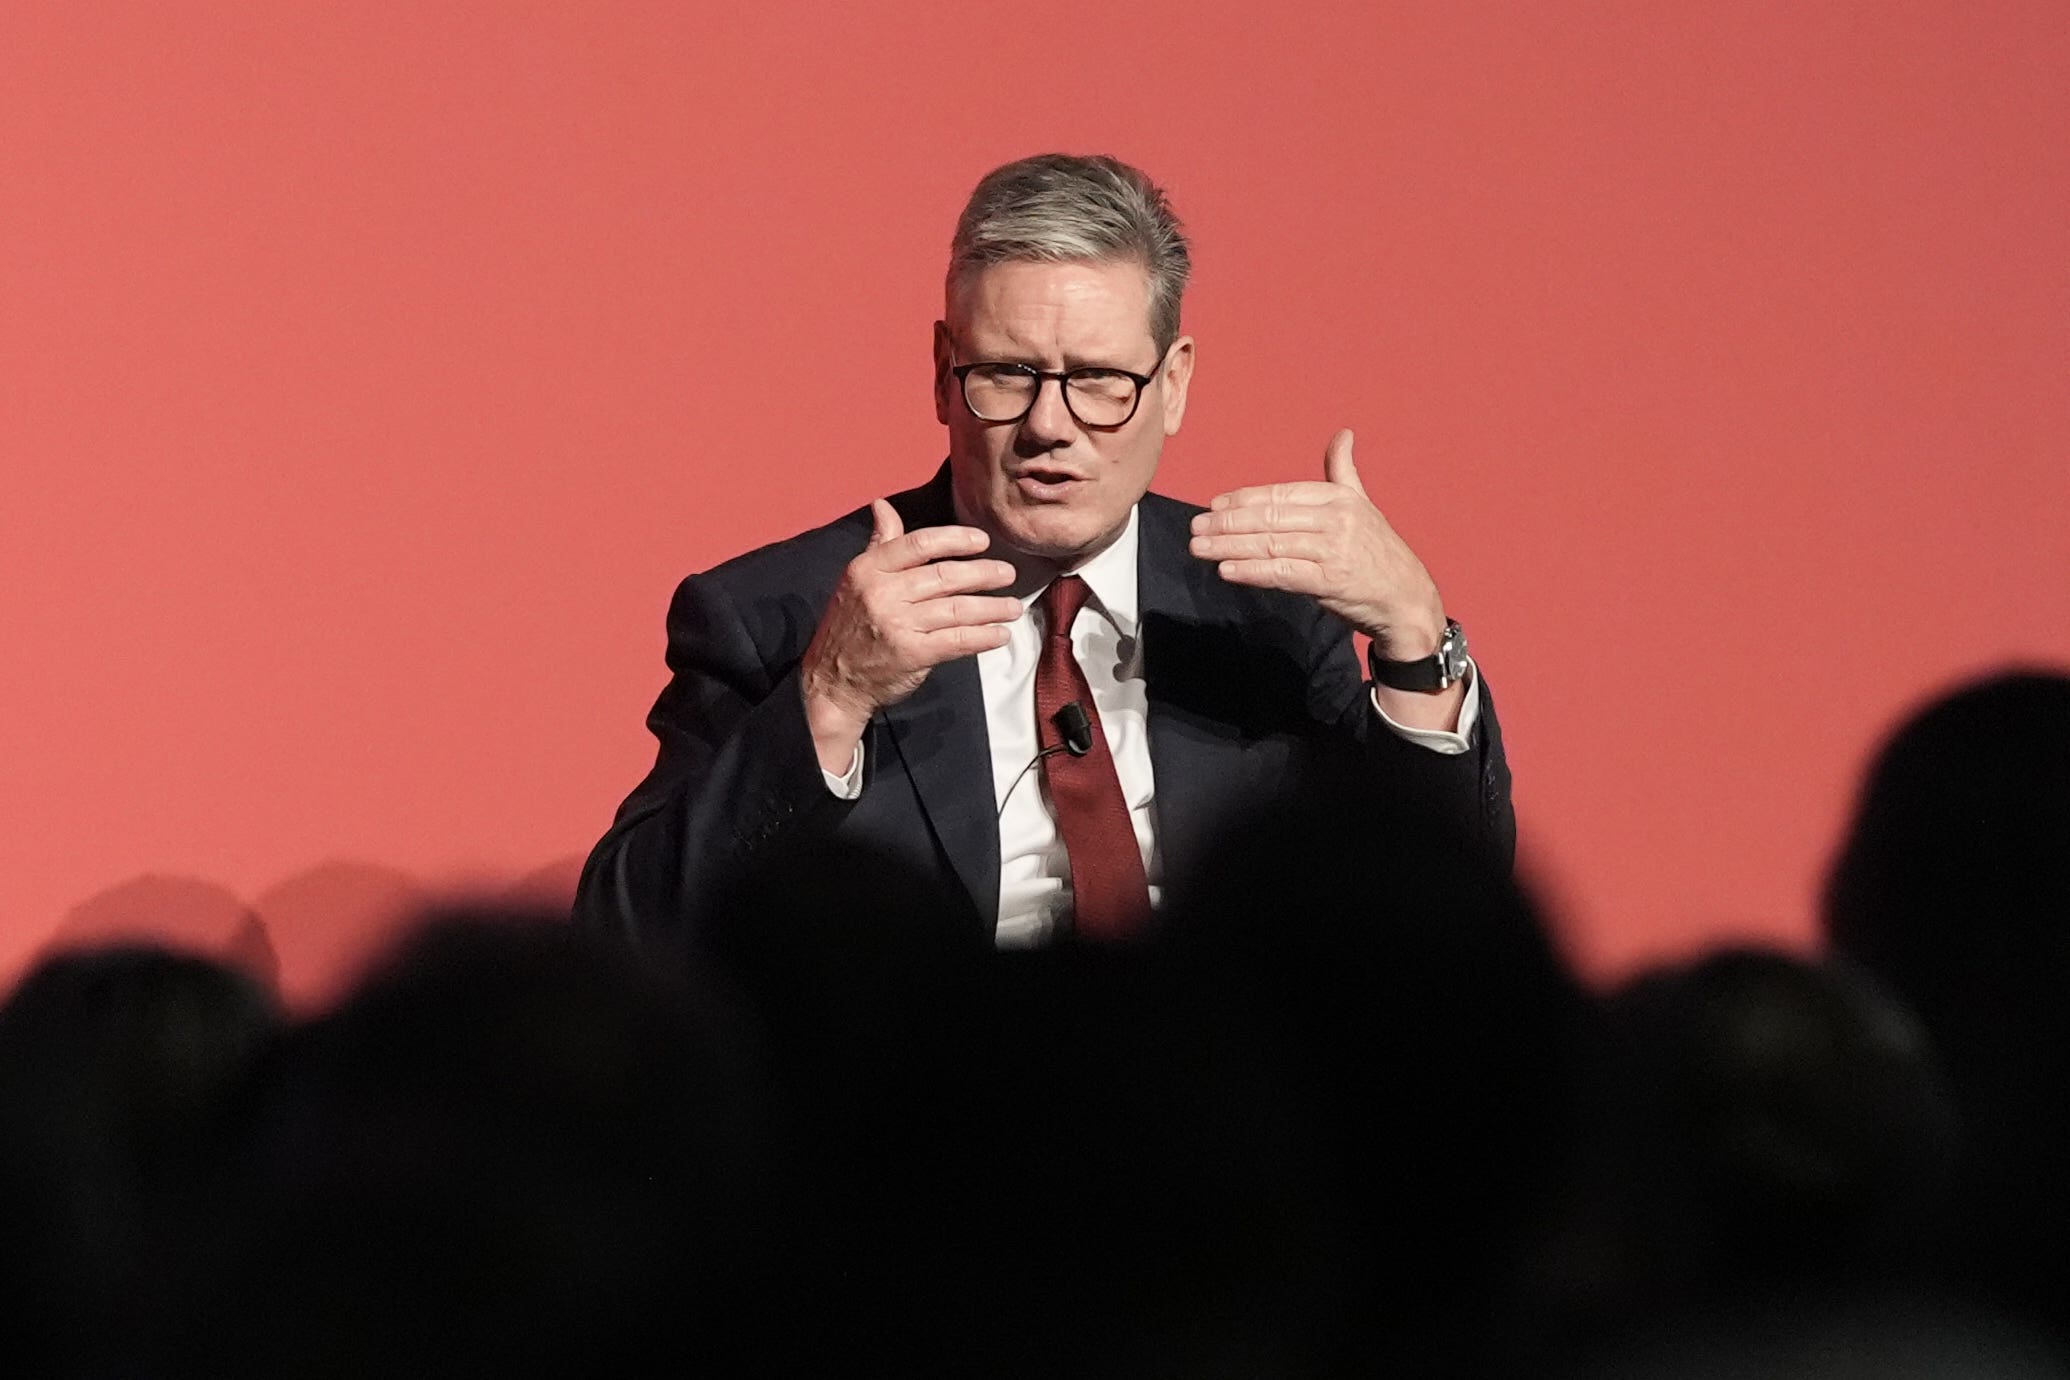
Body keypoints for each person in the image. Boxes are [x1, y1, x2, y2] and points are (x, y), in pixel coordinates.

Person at [576, 153, 1513, 953]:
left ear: (1174, 383)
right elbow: (625, 939)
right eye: (1008, 374)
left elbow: (1447, 942)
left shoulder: (1266, 611)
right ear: (943, 373)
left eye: (1101, 380)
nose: (1049, 426)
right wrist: (829, 699)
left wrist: (1413, 635)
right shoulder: (780, 616)